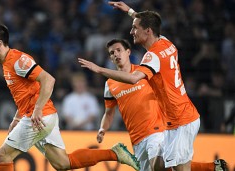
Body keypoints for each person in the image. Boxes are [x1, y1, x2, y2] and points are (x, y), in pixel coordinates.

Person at [78, 2, 221, 170]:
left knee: (177, 169)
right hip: (175, 120)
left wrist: (99, 69)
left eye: (135, 28)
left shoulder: (151, 57)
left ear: (147, 31)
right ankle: (214, 168)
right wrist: (131, 12)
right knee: (165, 166)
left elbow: (133, 79)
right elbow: (151, 22)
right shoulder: (166, 43)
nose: (132, 32)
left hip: (180, 120)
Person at [0, 24, 140, 171]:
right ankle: (115, 153)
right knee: (63, 163)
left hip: (39, 117)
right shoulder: (6, 63)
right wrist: (16, 118)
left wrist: (38, 109)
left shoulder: (18, 60)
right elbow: (27, 93)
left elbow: (48, 80)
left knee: (3, 155)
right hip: (40, 116)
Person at [97, 38, 227, 171]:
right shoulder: (110, 84)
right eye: (112, 53)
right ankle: (213, 167)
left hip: (157, 130)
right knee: (167, 166)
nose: (116, 54)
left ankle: (210, 167)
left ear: (128, 52)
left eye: (119, 50)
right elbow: (109, 113)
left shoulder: (145, 72)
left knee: (158, 166)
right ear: (111, 58)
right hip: (136, 138)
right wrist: (102, 129)